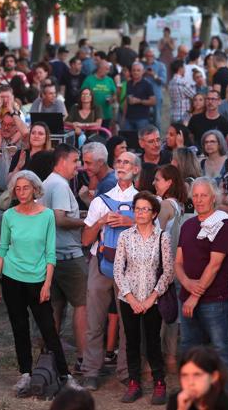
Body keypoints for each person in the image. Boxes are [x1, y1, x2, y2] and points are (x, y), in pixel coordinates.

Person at [0, 170, 80, 396]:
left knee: (49, 330)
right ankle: (25, 374)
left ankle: (65, 375)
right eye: (17, 188)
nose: (21, 192)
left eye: (26, 188)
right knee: (19, 328)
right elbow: (2, 249)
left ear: (35, 189)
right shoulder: (10, 215)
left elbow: (51, 252)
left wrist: (47, 284)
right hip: (12, 278)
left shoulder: (47, 215)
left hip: (38, 279)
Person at [80, 151, 141, 390]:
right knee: (94, 319)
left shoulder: (144, 201)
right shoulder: (100, 200)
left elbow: (156, 233)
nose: (121, 165)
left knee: (128, 321)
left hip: (131, 265)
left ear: (136, 169)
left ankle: (126, 371)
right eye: (119, 162)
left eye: (127, 162)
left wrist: (132, 221)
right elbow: (85, 240)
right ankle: (91, 371)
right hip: (101, 260)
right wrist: (100, 222)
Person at [175, 177, 228, 396]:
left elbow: (214, 265)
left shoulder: (224, 224)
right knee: (189, 350)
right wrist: (186, 284)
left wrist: (194, 296)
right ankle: (192, 396)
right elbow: (178, 262)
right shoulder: (188, 224)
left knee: (221, 350)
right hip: (186, 296)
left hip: (214, 299)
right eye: (196, 195)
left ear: (213, 197)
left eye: (204, 195)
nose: (199, 200)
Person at [113, 191, 173, 404]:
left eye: (145, 209)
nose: (139, 213)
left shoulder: (162, 238)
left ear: (154, 213)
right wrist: (131, 298)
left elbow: (168, 271)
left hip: (152, 299)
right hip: (128, 298)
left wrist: (150, 298)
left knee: (153, 342)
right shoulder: (125, 236)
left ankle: (159, 383)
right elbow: (118, 269)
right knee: (131, 341)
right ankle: (134, 383)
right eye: (137, 208)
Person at [39, 145, 88, 371]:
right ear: (61, 162)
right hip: (68, 255)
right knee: (82, 305)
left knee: (55, 307)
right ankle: (83, 359)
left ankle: (49, 356)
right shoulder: (59, 185)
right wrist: (87, 222)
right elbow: (60, 219)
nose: (77, 167)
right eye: (75, 161)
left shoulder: (48, 182)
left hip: (52, 256)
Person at [167, 346, 228, 410]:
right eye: (184, 375)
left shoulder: (227, 405)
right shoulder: (177, 401)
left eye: (197, 375)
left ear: (214, 376)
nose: (190, 382)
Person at [82, 60, 118, 129]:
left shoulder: (109, 80)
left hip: (106, 114)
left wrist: (112, 99)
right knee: (91, 136)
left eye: (108, 69)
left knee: (104, 136)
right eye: (106, 69)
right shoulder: (89, 79)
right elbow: (82, 94)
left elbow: (115, 94)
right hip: (91, 114)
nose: (108, 71)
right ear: (100, 68)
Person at [123, 62, 156, 131]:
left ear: (143, 72)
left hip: (142, 118)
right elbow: (126, 100)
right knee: (128, 139)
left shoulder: (147, 84)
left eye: (138, 70)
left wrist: (139, 101)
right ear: (131, 71)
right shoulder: (129, 83)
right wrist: (123, 117)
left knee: (141, 140)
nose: (136, 72)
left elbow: (153, 101)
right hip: (128, 118)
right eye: (134, 70)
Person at [142, 49, 167, 128]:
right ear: (145, 56)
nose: (149, 58)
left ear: (154, 56)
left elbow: (163, 81)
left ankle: (157, 139)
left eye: (151, 56)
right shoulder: (141, 65)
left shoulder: (160, 65)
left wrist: (154, 75)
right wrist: (143, 73)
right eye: (148, 56)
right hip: (143, 96)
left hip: (156, 96)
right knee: (144, 120)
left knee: (157, 120)